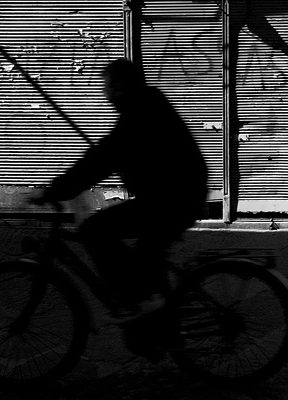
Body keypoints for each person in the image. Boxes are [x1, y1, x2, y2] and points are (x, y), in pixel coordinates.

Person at [35, 58, 207, 323]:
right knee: (145, 257)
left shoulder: (139, 114)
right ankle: (156, 314)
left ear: (119, 87)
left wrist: (55, 191)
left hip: (173, 201)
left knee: (94, 230)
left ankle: (141, 301)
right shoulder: (145, 105)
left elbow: (102, 158)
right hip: (175, 196)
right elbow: (107, 154)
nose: (105, 94)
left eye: (107, 87)